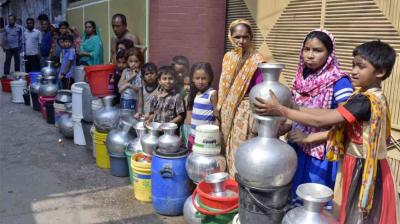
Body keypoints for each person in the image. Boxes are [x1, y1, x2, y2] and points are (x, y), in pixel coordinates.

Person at [254, 40, 399, 224]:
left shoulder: (364, 101)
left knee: (359, 214)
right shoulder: (367, 96)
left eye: (361, 67)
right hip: (358, 161)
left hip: (363, 167)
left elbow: (321, 120)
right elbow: (327, 113)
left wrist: (281, 110)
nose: (353, 71)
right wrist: (293, 107)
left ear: (380, 72)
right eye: (353, 64)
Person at [284, 30, 353, 208]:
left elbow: (346, 123)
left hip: (320, 154)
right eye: (306, 49)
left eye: (317, 50)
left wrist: (310, 138)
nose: (310, 55)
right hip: (296, 148)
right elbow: (294, 112)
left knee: (312, 206)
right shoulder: (300, 79)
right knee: (291, 200)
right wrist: (284, 127)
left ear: (330, 54)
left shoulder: (339, 81)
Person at [217, 19, 265, 177]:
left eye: (245, 37)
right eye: (237, 37)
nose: (241, 41)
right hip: (226, 110)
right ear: (231, 37)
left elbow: (261, 89)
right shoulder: (228, 57)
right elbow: (223, 85)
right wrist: (219, 106)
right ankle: (228, 184)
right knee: (225, 147)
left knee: (240, 150)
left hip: (245, 111)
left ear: (251, 38)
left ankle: (239, 186)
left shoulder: (256, 60)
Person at [187, 62, 218, 151]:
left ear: (210, 78)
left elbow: (217, 116)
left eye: (204, 78)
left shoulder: (212, 94)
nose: (200, 81)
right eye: (197, 78)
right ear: (192, 79)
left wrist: (214, 135)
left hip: (205, 137)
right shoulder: (195, 94)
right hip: (193, 135)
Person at [118, 48, 144, 117]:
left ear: (140, 62)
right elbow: (119, 86)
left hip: (135, 102)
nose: (133, 64)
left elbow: (139, 92)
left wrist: (139, 111)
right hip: (125, 101)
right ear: (127, 61)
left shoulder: (140, 74)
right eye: (131, 61)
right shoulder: (125, 71)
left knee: (134, 119)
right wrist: (131, 77)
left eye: (136, 61)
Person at [181, 75, 191, 148]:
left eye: (189, 84)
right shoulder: (185, 97)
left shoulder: (196, 97)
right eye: (185, 84)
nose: (186, 87)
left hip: (193, 127)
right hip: (185, 126)